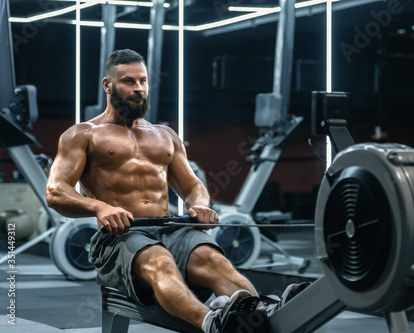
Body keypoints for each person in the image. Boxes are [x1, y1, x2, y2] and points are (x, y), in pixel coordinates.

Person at [46, 49, 266, 333]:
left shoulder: (165, 135)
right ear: (107, 85)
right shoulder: (82, 134)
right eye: (128, 81)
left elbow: (193, 186)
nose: (138, 89)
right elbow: (55, 191)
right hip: (120, 238)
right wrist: (100, 207)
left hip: (170, 230)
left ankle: (263, 315)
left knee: (213, 260)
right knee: (159, 260)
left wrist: (199, 204)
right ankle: (214, 325)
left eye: (143, 81)